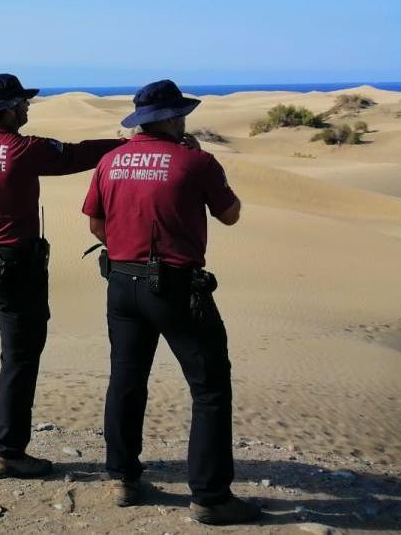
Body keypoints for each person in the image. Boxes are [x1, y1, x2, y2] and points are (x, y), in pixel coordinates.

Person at [81, 79, 260, 525]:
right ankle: (211, 497)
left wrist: (128, 246)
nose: (184, 119)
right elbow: (231, 214)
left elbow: (95, 226)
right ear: (169, 118)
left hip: (121, 283)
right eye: (180, 112)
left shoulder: (110, 162)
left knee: (126, 378)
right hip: (177, 287)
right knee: (210, 387)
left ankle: (122, 477)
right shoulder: (194, 161)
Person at [0, 73, 125, 479]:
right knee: (19, 359)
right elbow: (75, 155)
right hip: (16, 269)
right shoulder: (21, 149)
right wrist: (127, 146)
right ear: (6, 108)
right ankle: (8, 452)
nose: (27, 108)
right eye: (23, 103)